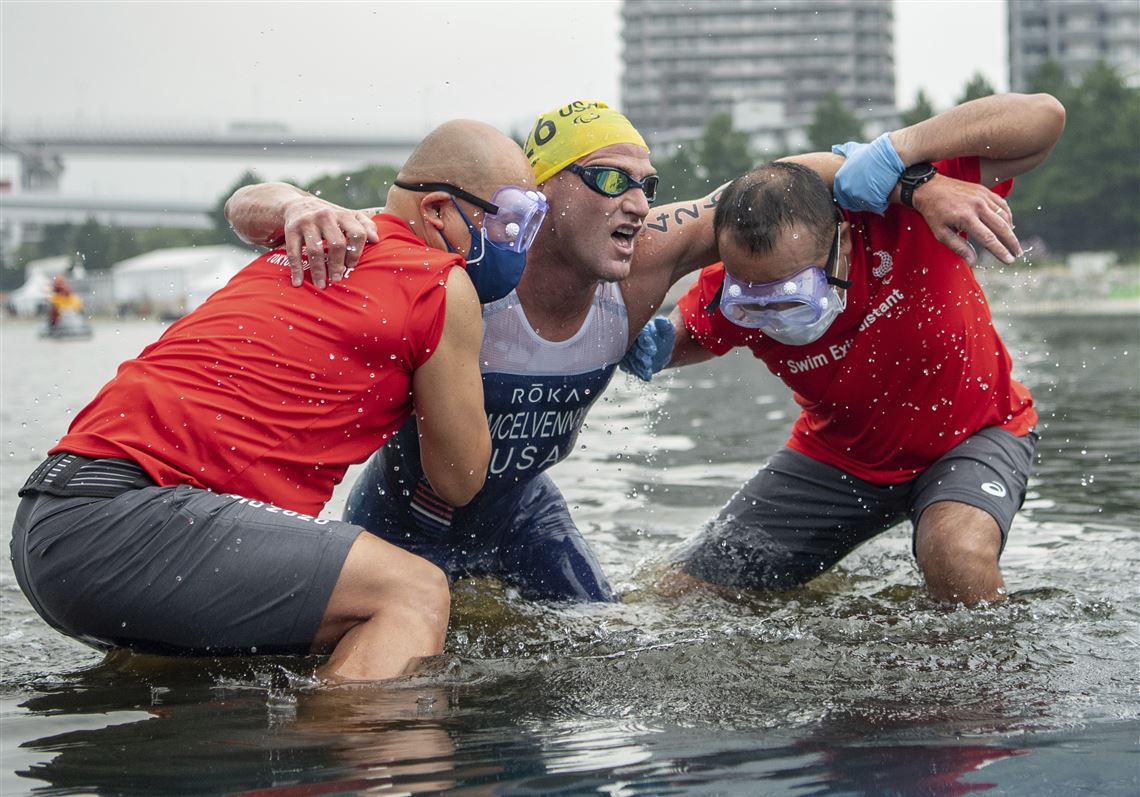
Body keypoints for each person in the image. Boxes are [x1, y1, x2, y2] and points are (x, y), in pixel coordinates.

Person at [224, 99, 1023, 603]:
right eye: (611, 181)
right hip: (406, 515)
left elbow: (780, 180)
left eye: (646, 182)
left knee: (608, 642)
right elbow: (247, 203)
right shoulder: (466, 254)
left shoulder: (643, 257)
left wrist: (915, 182)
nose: (638, 203)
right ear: (540, 195)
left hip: (525, 512)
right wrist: (297, 205)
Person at [10, 119, 548, 681]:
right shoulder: (439, 282)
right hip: (129, 522)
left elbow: (245, 203)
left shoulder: (320, 238)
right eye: (510, 221)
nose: (519, 244)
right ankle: (354, 765)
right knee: (411, 595)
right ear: (437, 210)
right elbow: (460, 478)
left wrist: (294, 202)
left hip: (50, 521)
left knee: (316, 635)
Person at [624, 93, 1066, 605]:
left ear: (843, 241)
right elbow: (689, 336)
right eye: (753, 300)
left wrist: (899, 154)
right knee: (684, 589)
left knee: (957, 557)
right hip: (841, 459)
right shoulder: (735, 287)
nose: (770, 313)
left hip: (973, 434)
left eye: (790, 296)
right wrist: (645, 346)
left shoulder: (905, 215)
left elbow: (1044, 119)